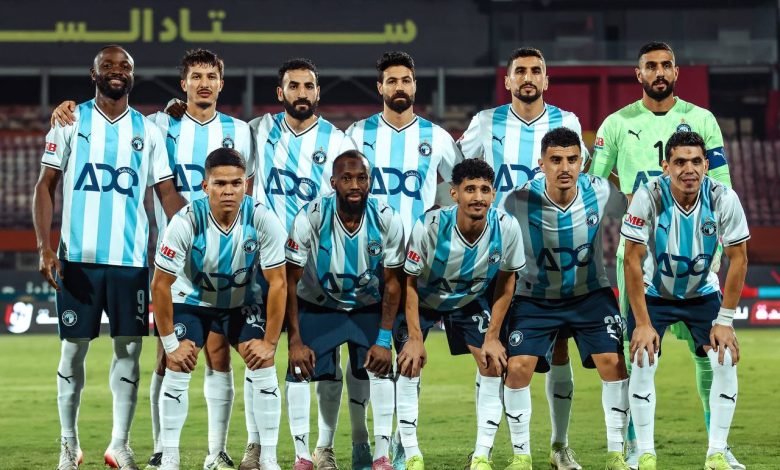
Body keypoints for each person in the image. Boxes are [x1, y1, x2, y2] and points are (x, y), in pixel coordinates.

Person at [51, 48, 255, 470]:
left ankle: (214, 451)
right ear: (183, 84)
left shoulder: (237, 130)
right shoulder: (160, 123)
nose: (203, 83)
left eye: (211, 76)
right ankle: (161, 449)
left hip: (213, 258)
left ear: (221, 83)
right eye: (195, 76)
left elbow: (245, 189)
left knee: (216, 353)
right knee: (167, 352)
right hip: (166, 259)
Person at [589, 41, 741, 469]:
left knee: (709, 354)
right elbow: (593, 187)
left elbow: (722, 182)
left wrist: (716, 248)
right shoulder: (616, 124)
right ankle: (633, 445)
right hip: (638, 253)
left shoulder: (702, 120)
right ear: (638, 74)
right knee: (634, 349)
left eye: (666, 65)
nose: (659, 72)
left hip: (698, 252)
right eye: (651, 66)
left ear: (676, 72)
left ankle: (718, 444)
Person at [32, 45, 184, 470]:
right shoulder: (70, 121)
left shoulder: (147, 130)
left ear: (133, 75)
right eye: (109, 66)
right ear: (93, 73)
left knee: (129, 351)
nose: (117, 71)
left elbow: (167, 193)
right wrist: (45, 246)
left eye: (125, 66)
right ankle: (69, 444)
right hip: (77, 259)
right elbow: (45, 185)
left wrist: (197, 232)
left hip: (130, 262)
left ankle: (119, 444)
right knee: (72, 352)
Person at [458, 47, 589, 469]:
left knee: (560, 349)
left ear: (546, 80)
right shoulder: (485, 123)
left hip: (549, 258)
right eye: (520, 71)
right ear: (508, 80)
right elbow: (461, 177)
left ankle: (559, 445)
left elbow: (576, 184)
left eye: (536, 71)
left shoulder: (567, 122)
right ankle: (483, 450)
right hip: (494, 258)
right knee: (490, 352)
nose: (528, 77)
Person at [249, 57, 369, 470]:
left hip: (317, 270)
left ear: (318, 92)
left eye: (308, 86)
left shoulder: (336, 141)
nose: (302, 93)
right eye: (293, 86)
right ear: (280, 92)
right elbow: (212, 128)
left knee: (324, 361)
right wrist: (174, 107)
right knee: (258, 354)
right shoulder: (258, 130)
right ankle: (256, 446)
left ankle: (323, 447)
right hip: (264, 263)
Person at [345, 51, 463, 469]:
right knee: (362, 357)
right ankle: (361, 440)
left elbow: (460, 185)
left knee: (411, 354)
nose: (399, 86)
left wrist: (441, 230)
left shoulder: (438, 137)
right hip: (365, 264)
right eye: (392, 80)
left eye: (406, 80)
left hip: (417, 267)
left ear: (415, 85)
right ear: (380, 87)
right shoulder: (357, 134)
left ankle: (400, 440)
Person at [492, 127, 630, 470]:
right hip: (535, 296)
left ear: (583, 162)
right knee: (518, 368)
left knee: (613, 363)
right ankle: (521, 457)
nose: (565, 167)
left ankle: (615, 455)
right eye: (556, 160)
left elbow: (634, 208)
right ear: (541, 163)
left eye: (572, 159)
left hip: (589, 294)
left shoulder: (600, 190)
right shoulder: (519, 200)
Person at [151, 148, 287, 470]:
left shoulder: (262, 218)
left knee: (263, 362)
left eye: (236, 183)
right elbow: (160, 285)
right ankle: (169, 458)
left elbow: (279, 283)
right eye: (220, 183)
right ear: (205, 186)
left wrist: (270, 343)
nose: (229, 191)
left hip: (240, 302)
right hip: (192, 301)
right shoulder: (185, 221)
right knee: (179, 363)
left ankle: (268, 459)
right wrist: (170, 345)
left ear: (245, 185)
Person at [621, 131, 748, 470]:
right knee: (643, 358)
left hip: (702, 293)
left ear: (706, 165)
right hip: (655, 293)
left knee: (725, 358)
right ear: (666, 166)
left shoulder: (723, 198)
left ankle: (718, 452)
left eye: (695, 161)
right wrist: (643, 323)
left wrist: (725, 321)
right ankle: (642, 452)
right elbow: (631, 259)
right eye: (679, 162)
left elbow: (739, 259)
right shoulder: (648, 195)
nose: (688, 169)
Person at [397, 158, 526, 470]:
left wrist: (493, 337)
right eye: (470, 189)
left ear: (493, 194)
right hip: (424, 300)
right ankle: (411, 454)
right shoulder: (430, 226)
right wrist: (414, 338)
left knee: (492, 363)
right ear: (454, 193)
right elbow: (408, 282)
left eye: (485, 189)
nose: (478, 197)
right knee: (409, 363)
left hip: (468, 300)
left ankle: (481, 455)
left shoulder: (506, 227)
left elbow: (507, 281)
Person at [284, 150, 404, 470]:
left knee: (380, 367)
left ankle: (381, 456)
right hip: (318, 304)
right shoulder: (311, 216)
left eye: (361, 178)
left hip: (367, 305)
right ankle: (303, 457)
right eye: (347, 178)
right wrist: (294, 340)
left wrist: (384, 338)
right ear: (333, 182)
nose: (354, 185)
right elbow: (288, 280)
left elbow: (394, 283)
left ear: (370, 182)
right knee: (300, 369)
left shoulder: (387, 218)